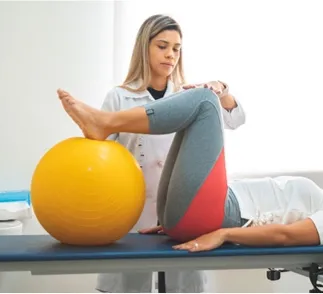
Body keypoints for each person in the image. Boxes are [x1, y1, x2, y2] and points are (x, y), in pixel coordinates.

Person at [56, 86, 323, 255]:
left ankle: (105, 124)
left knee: (204, 102)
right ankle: (106, 123)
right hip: (200, 212)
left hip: (220, 213)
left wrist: (223, 235)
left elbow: (286, 236)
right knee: (193, 111)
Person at [96, 14, 246, 293]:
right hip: (135, 208)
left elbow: (236, 119)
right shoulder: (119, 97)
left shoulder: (188, 95)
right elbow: (102, 156)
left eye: (176, 49)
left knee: (180, 283)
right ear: (145, 47)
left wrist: (221, 89)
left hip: (182, 208)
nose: (170, 55)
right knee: (132, 284)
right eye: (162, 46)